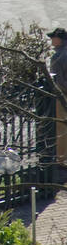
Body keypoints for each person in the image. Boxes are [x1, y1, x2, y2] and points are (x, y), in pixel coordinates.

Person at [47, 28, 67, 166]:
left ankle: (62, 159)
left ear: (59, 39)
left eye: (53, 37)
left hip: (63, 96)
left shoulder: (57, 57)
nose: (51, 40)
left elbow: (57, 81)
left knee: (62, 129)